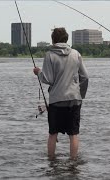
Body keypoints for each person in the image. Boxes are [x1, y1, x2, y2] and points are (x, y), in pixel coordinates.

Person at [33, 27, 89, 160]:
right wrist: (80, 94)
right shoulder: (76, 54)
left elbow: (48, 79)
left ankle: (51, 162)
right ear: (66, 39)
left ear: (53, 40)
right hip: (74, 99)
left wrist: (38, 73)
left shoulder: (49, 55)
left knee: (53, 133)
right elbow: (85, 77)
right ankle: (73, 162)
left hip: (56, 100)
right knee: (73, 134)